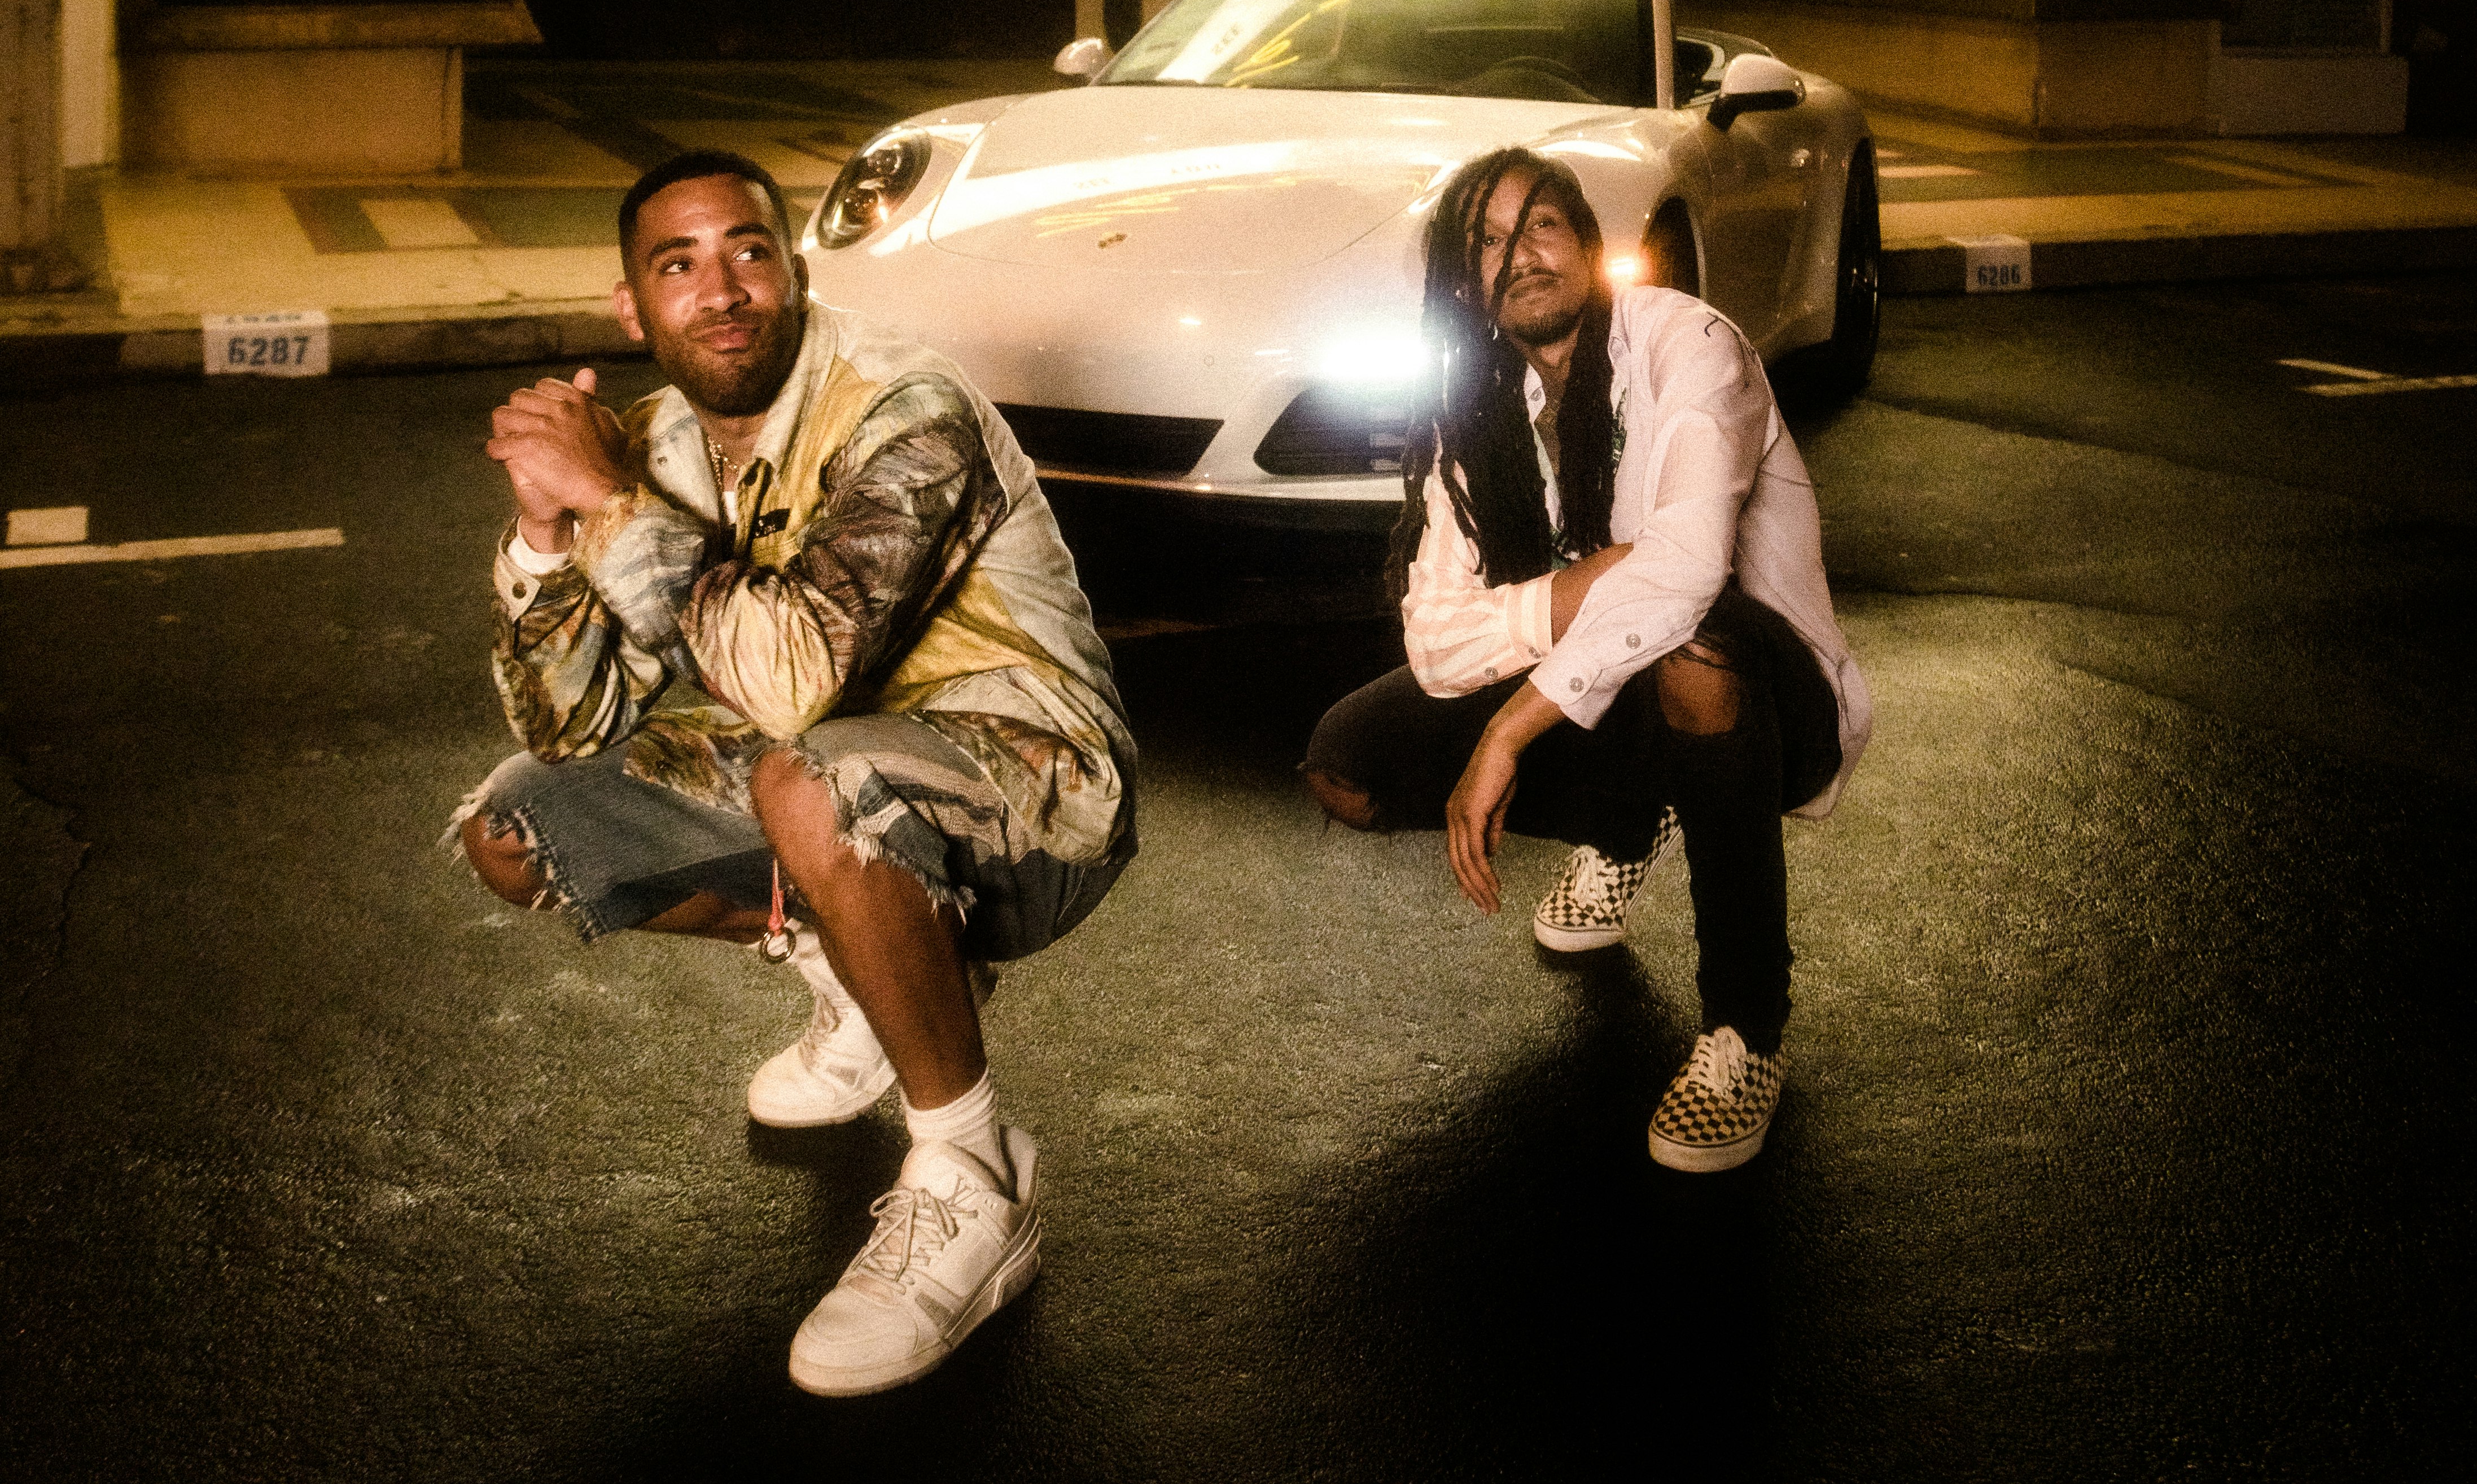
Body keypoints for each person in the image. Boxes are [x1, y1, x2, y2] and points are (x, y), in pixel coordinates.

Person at [452, 148, 1135, 1391]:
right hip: (828, 778)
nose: (721, 291)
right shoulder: (655, 440)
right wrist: (543, 533)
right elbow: (571, 726)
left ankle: (973, 1175)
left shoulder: (902, 405)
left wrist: (601, 497)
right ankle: (867, 977)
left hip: (1036, 802)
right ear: (632, 307)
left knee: (805, 776)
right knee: (517, 826)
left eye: (749, 253)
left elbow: (787, 682)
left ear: (795, 275)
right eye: (678, 265)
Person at [1300, 147, 1868, 1171]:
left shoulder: (1691, 346)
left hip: (1767, 701)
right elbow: (1435, 640)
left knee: (1690, 645)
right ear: (1464, 280)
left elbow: (1686, 569)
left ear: (1591, 245)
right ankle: (1628, 821)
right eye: (1487, 241)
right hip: (1614, 690)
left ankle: (1747, 1025)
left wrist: (1510, 732)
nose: (1518, 255)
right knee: (1347, 762)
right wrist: (1589, 579)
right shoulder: (1474, 405)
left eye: (1541, 225)